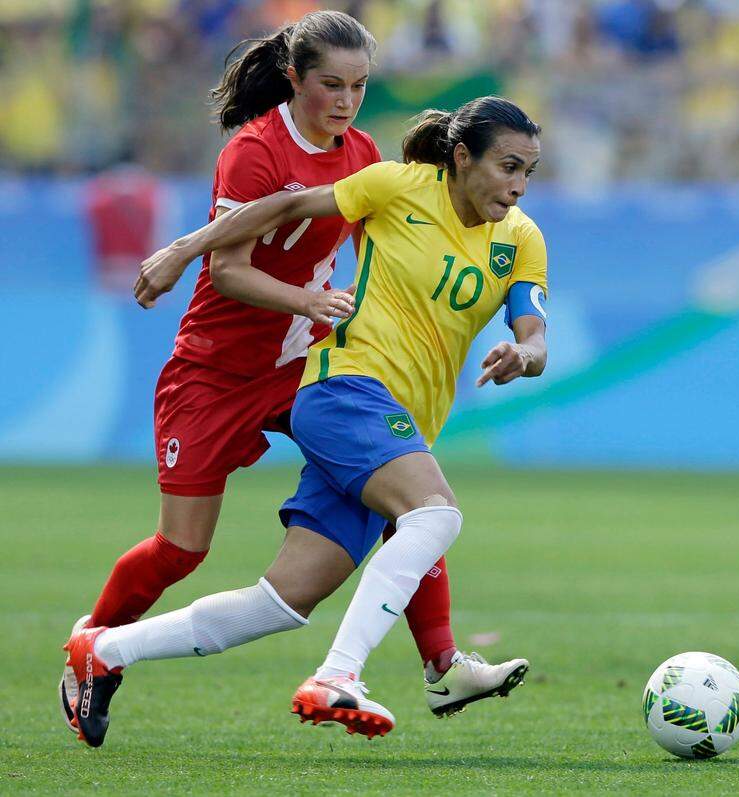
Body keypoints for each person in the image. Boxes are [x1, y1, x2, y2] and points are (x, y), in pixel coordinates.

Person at [61, 12, 525, 746]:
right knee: (182, 548)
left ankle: (442, 661)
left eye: (360, 87)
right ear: (294, 80)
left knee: (401, 486)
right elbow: (230, 269)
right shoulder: (254, 151)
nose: (345, 102)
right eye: (330, 86)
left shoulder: (364, 152)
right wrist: (279, 287)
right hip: (215, 371)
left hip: (308, 365)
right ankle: (95, 644)